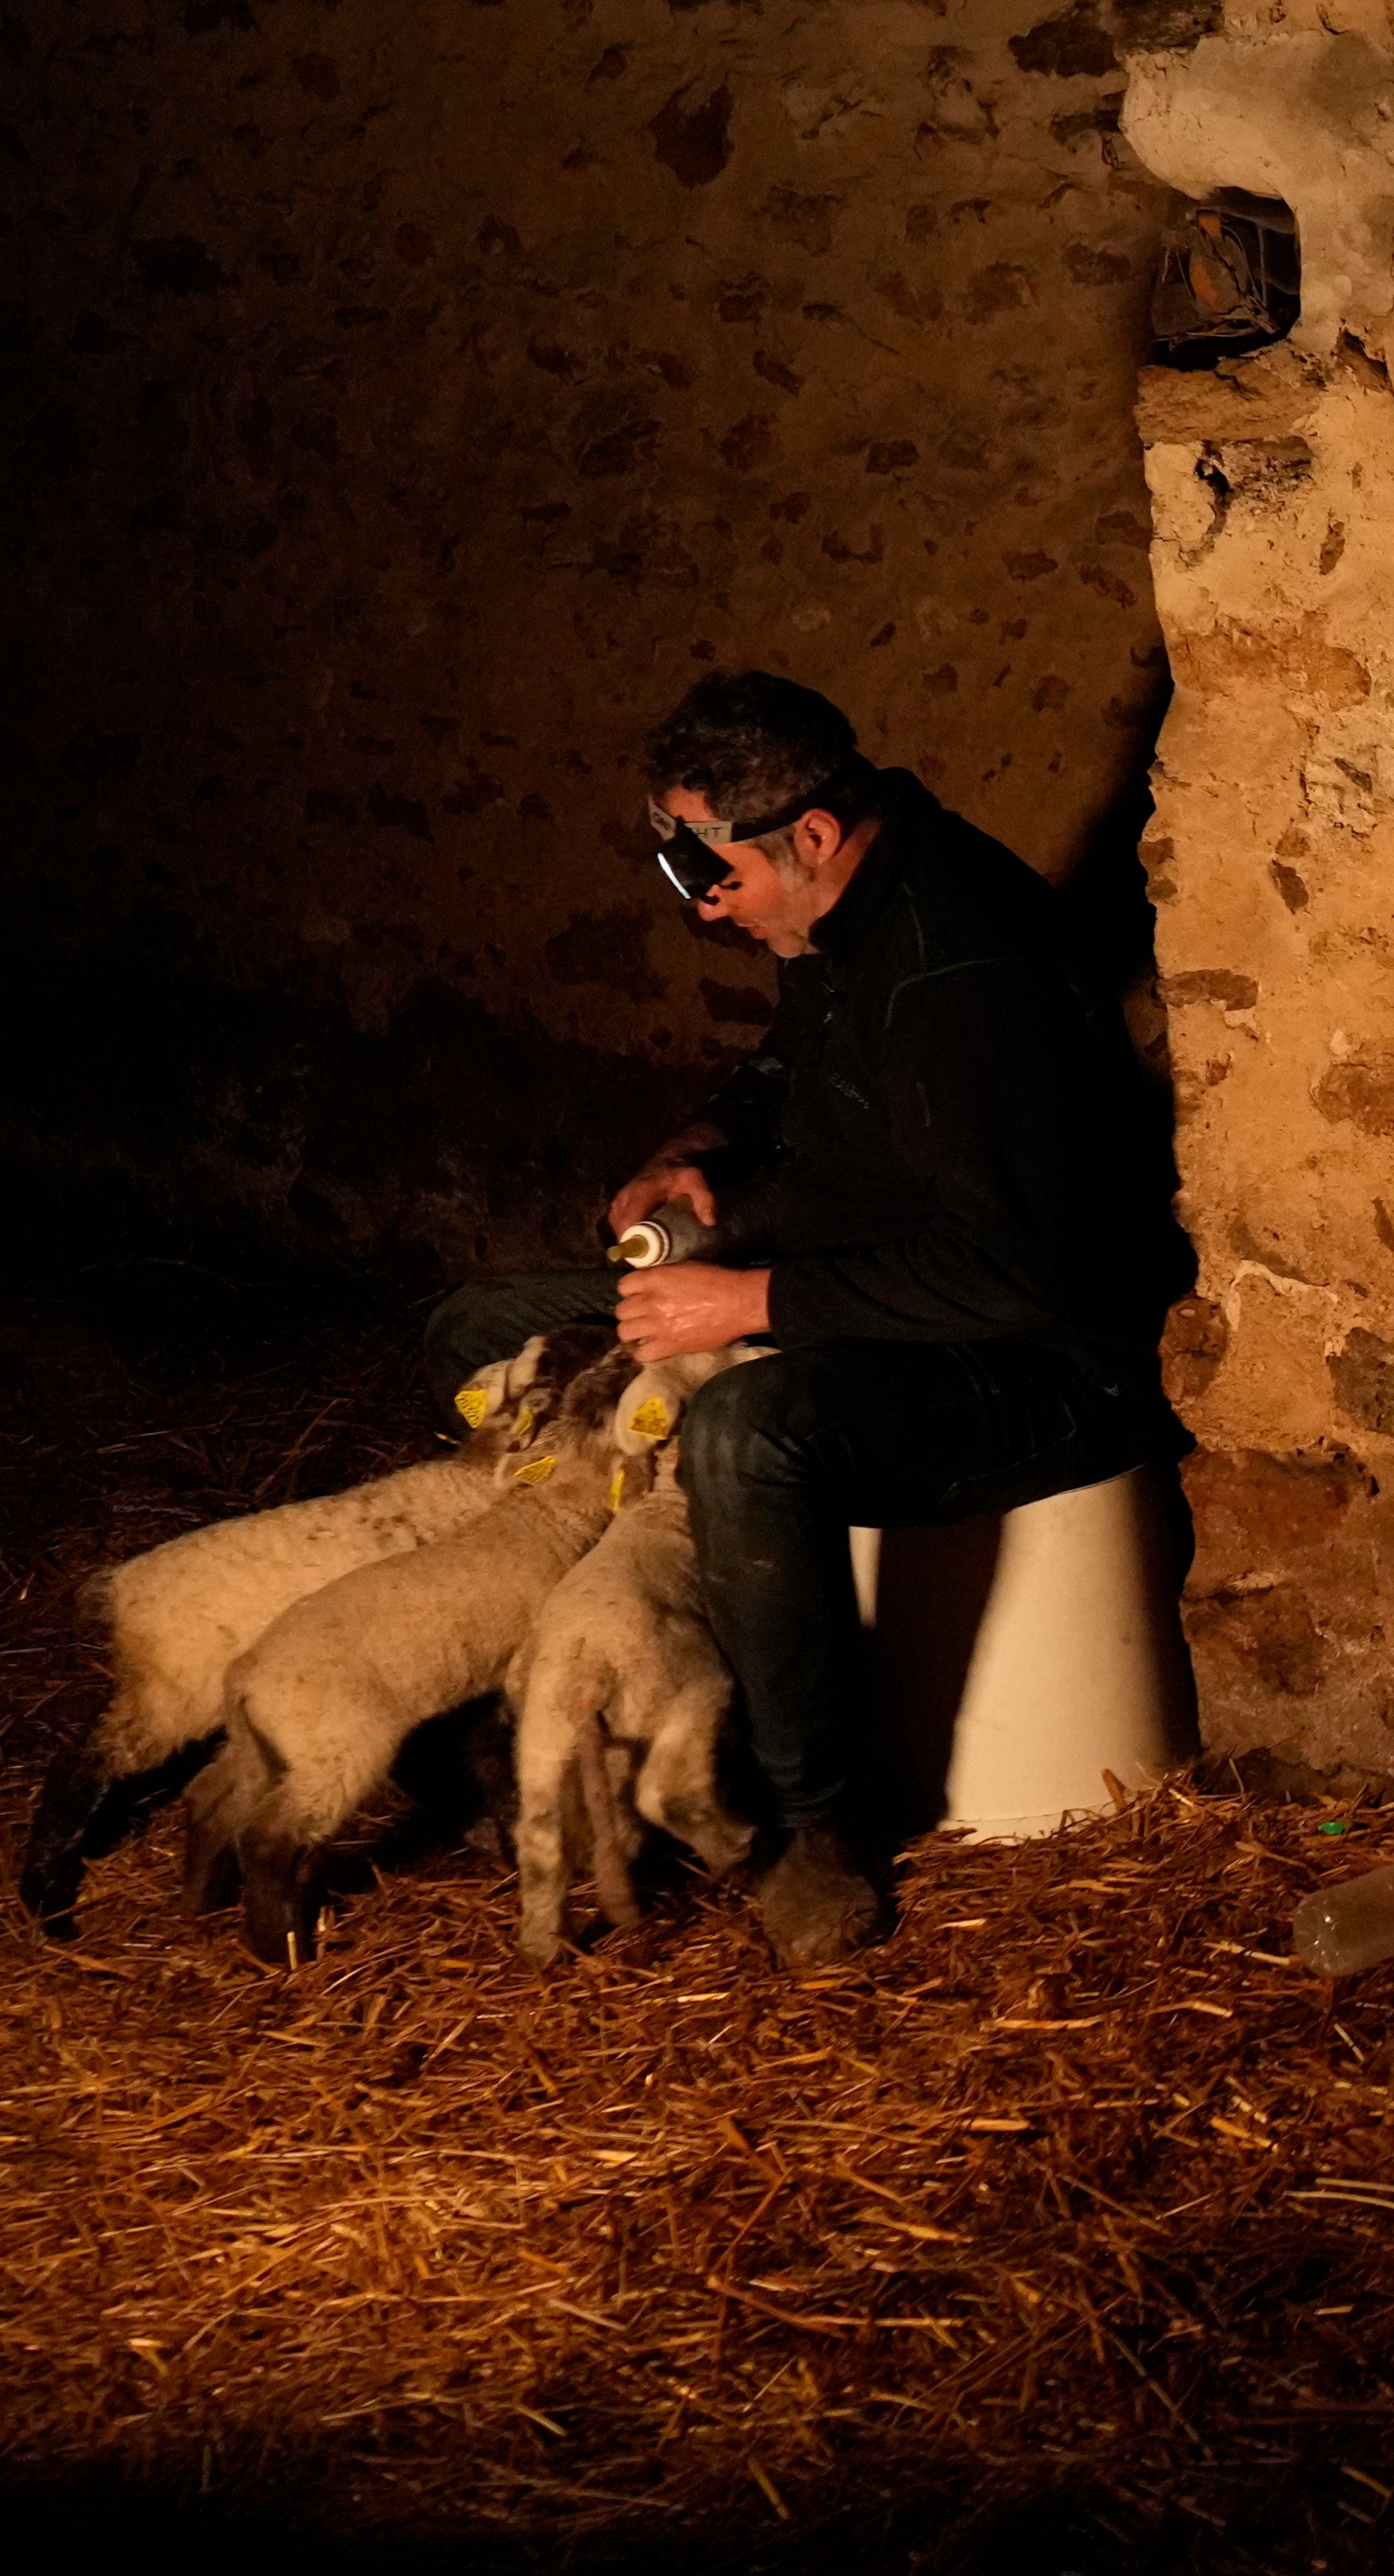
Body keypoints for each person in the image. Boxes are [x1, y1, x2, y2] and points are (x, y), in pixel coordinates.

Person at [424, 672, 1186, 1960]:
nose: (697, 902)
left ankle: (807, 1823)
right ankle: (581, 1707)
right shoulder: (836, 916)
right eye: (675, 867)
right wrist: (700, 1145)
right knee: (484, 1324)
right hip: (866, 1269)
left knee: (753, 1435)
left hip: (1034, 1357)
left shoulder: (962, 974)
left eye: (704, 871)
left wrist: (752, 1296)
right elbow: (789, 1069)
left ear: (815, 836)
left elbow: (1017, 1275)